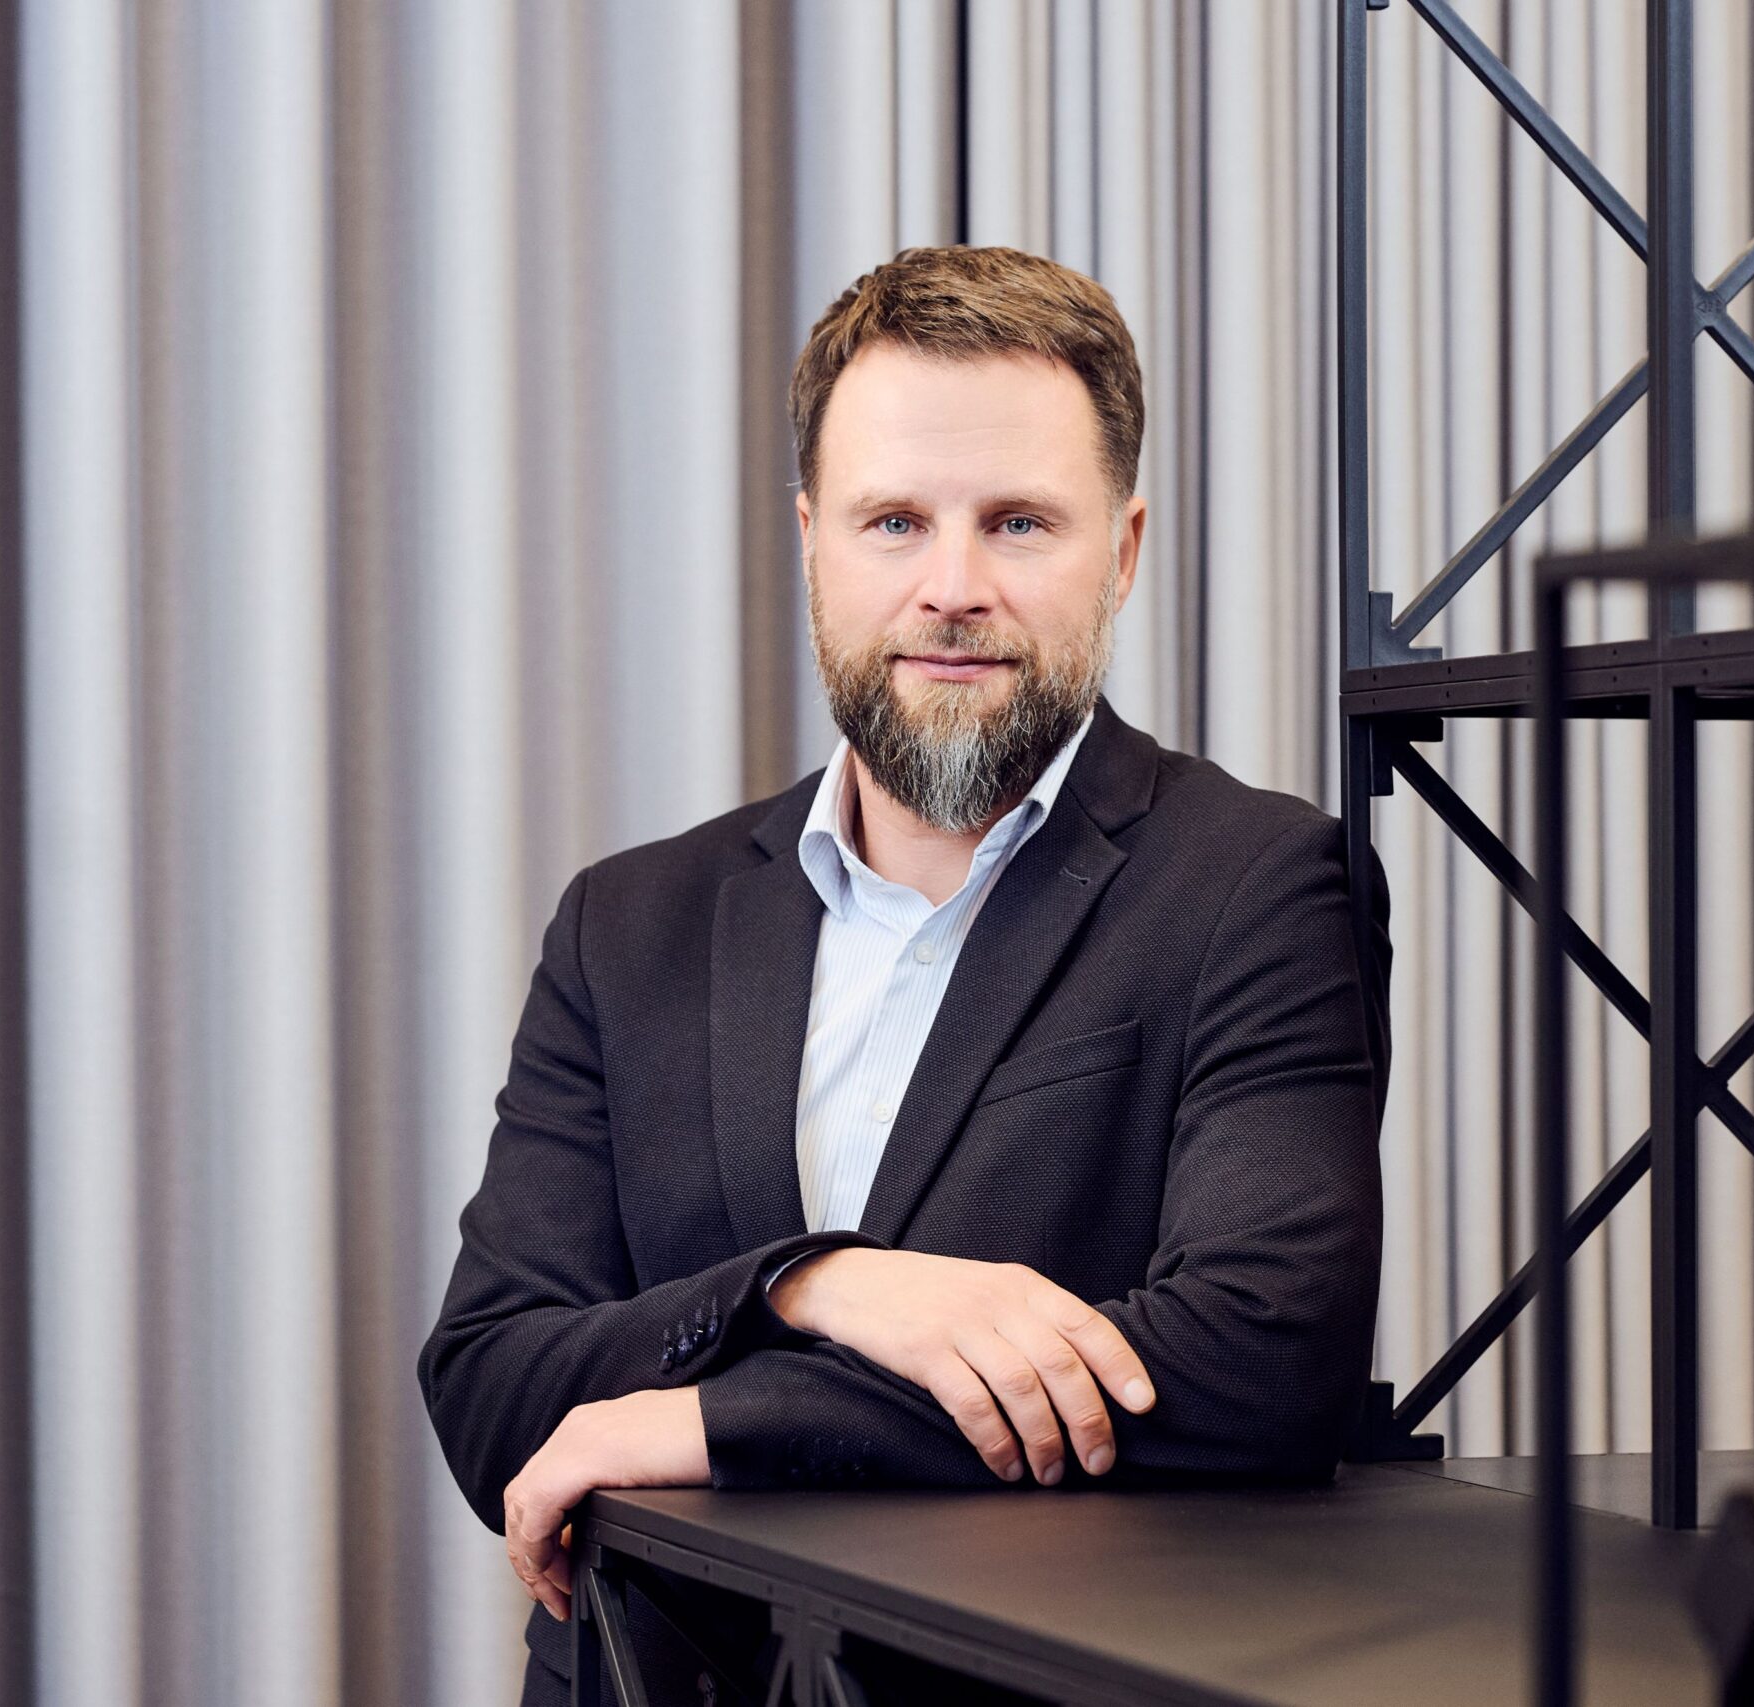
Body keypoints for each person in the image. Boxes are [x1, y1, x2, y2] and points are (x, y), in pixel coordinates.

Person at [417, 244, 1393, 1707]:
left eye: (1019, 523)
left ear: (1123, 550)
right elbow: (493, 1381)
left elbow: (1259, 1361)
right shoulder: (629, 922)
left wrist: (709, 1426)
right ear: (813, 540)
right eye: (894, 522)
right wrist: (818, 1287)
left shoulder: (1258, 886)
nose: (953, 589)